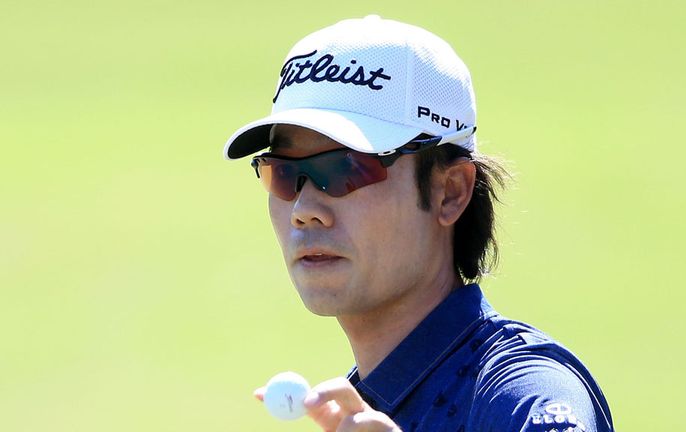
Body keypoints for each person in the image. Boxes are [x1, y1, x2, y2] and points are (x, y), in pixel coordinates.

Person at [223, 15, 614, 432]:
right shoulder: (371, 402)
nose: (304, 208)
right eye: (282, 172)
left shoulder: (525, 391)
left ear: (451, 192)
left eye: (345, 168)